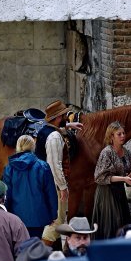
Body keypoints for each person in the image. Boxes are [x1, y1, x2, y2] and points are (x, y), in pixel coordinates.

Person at [35, 100, 83, 249]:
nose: (64, 118)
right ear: (57, 118)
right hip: (53, 184)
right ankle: (41, 254)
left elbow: (56, 128)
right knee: (57, 221)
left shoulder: (46, 130)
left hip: (46, 182)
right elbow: (54, 165)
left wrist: (69, 126)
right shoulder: (54, 137)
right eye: (63, 116)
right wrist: (62, 187)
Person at [3, 135, 58, 239]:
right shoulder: (43, 166)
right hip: (38, 218)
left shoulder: (9, 168)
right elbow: (50, 193)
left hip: (16, 218)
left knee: (19, 249)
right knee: (34, 249)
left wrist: (5, 216)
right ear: (33, 146)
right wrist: (53, 215)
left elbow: (6, 195)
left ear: (18, 146)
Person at [92, 121, 131, 240]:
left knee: (122, 223)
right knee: (112, 224)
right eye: (119, 134)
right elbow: (100, 177)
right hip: (106, 193)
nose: (123, 136)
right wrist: (124, 178)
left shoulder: (126, 152)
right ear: (111, 136)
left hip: (119, 192)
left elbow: (129, 170)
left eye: (123, 133)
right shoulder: (107, 152)